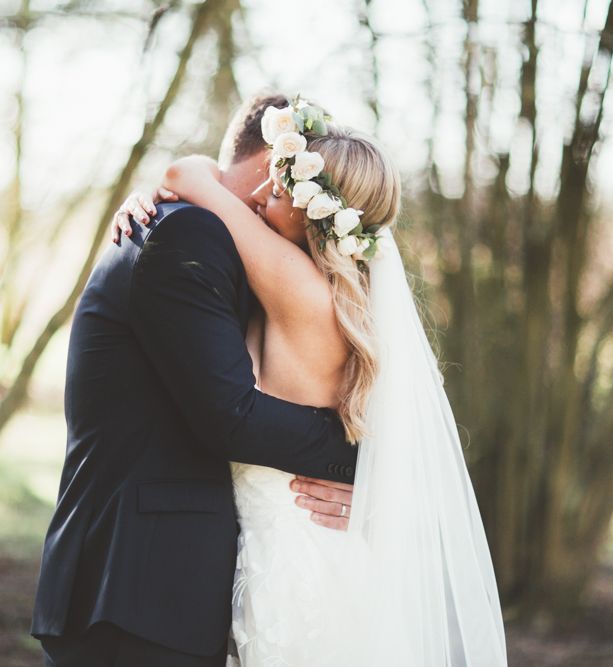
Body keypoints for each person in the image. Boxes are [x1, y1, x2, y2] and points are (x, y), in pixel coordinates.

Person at [118, 95, 509, 665]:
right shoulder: (352, 303)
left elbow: (187, 175)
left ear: (310, 212)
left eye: (276, 191)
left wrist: (153, 200)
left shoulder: (294, 283)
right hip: (318, 554)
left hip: (292, 567)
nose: (256, 197)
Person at [30, 94, 359, 667]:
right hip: (138, 589)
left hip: (148, 589)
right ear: (274, 165)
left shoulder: (194, 232)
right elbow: (229, 414)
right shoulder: (188, 235)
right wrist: (363, 458)